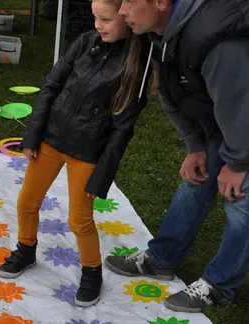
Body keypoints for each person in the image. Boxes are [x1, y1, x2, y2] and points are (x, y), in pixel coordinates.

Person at [0, 0, 151, 307]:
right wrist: (33, 135)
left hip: (87, 153)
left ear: (126, 16)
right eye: (95, 16)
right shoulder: (85, 43)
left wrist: (101, 177)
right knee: (27, 202)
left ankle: (92, 272)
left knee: (79, 220)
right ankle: (26, 249)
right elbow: (51, 86)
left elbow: (123, 129)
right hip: (51, 141)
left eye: (105, 19)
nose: (97, 24)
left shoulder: (136, 66)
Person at [105, 0, 249, 313]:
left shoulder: (215, 39)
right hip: (226, 122)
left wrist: (237, 163)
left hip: (243, 119)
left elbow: (240, 105)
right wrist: (194, 144)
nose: (122, 12)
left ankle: (219, 286)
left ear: (160, 2)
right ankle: (161, 259)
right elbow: (170, 94)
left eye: (129, 1)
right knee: (195, 183)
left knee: (242, 203)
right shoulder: (162, 33)